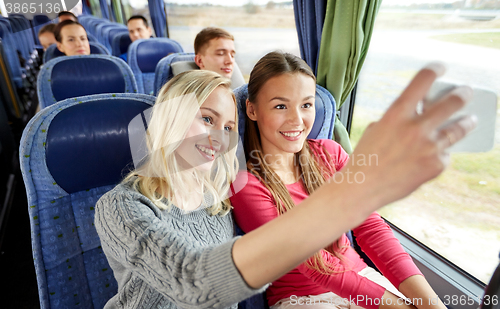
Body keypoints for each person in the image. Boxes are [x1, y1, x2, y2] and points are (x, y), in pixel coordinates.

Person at [95, 59, 476, 308]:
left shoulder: (216, 201)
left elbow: (371, 228)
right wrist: (357, 193)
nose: (219, 137)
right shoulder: (120, 207)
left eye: (228, 128)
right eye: (206, 119)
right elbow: (192, 281)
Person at [229, 51, 456, 309]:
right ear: (252, 109)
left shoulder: (331, 153)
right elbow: (315, 265)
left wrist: (430, 304)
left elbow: (371, 228)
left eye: (306, 105)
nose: (297, 120)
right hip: (303, 300)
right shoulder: (247, 185)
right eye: (280, 106)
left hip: (363, 279)